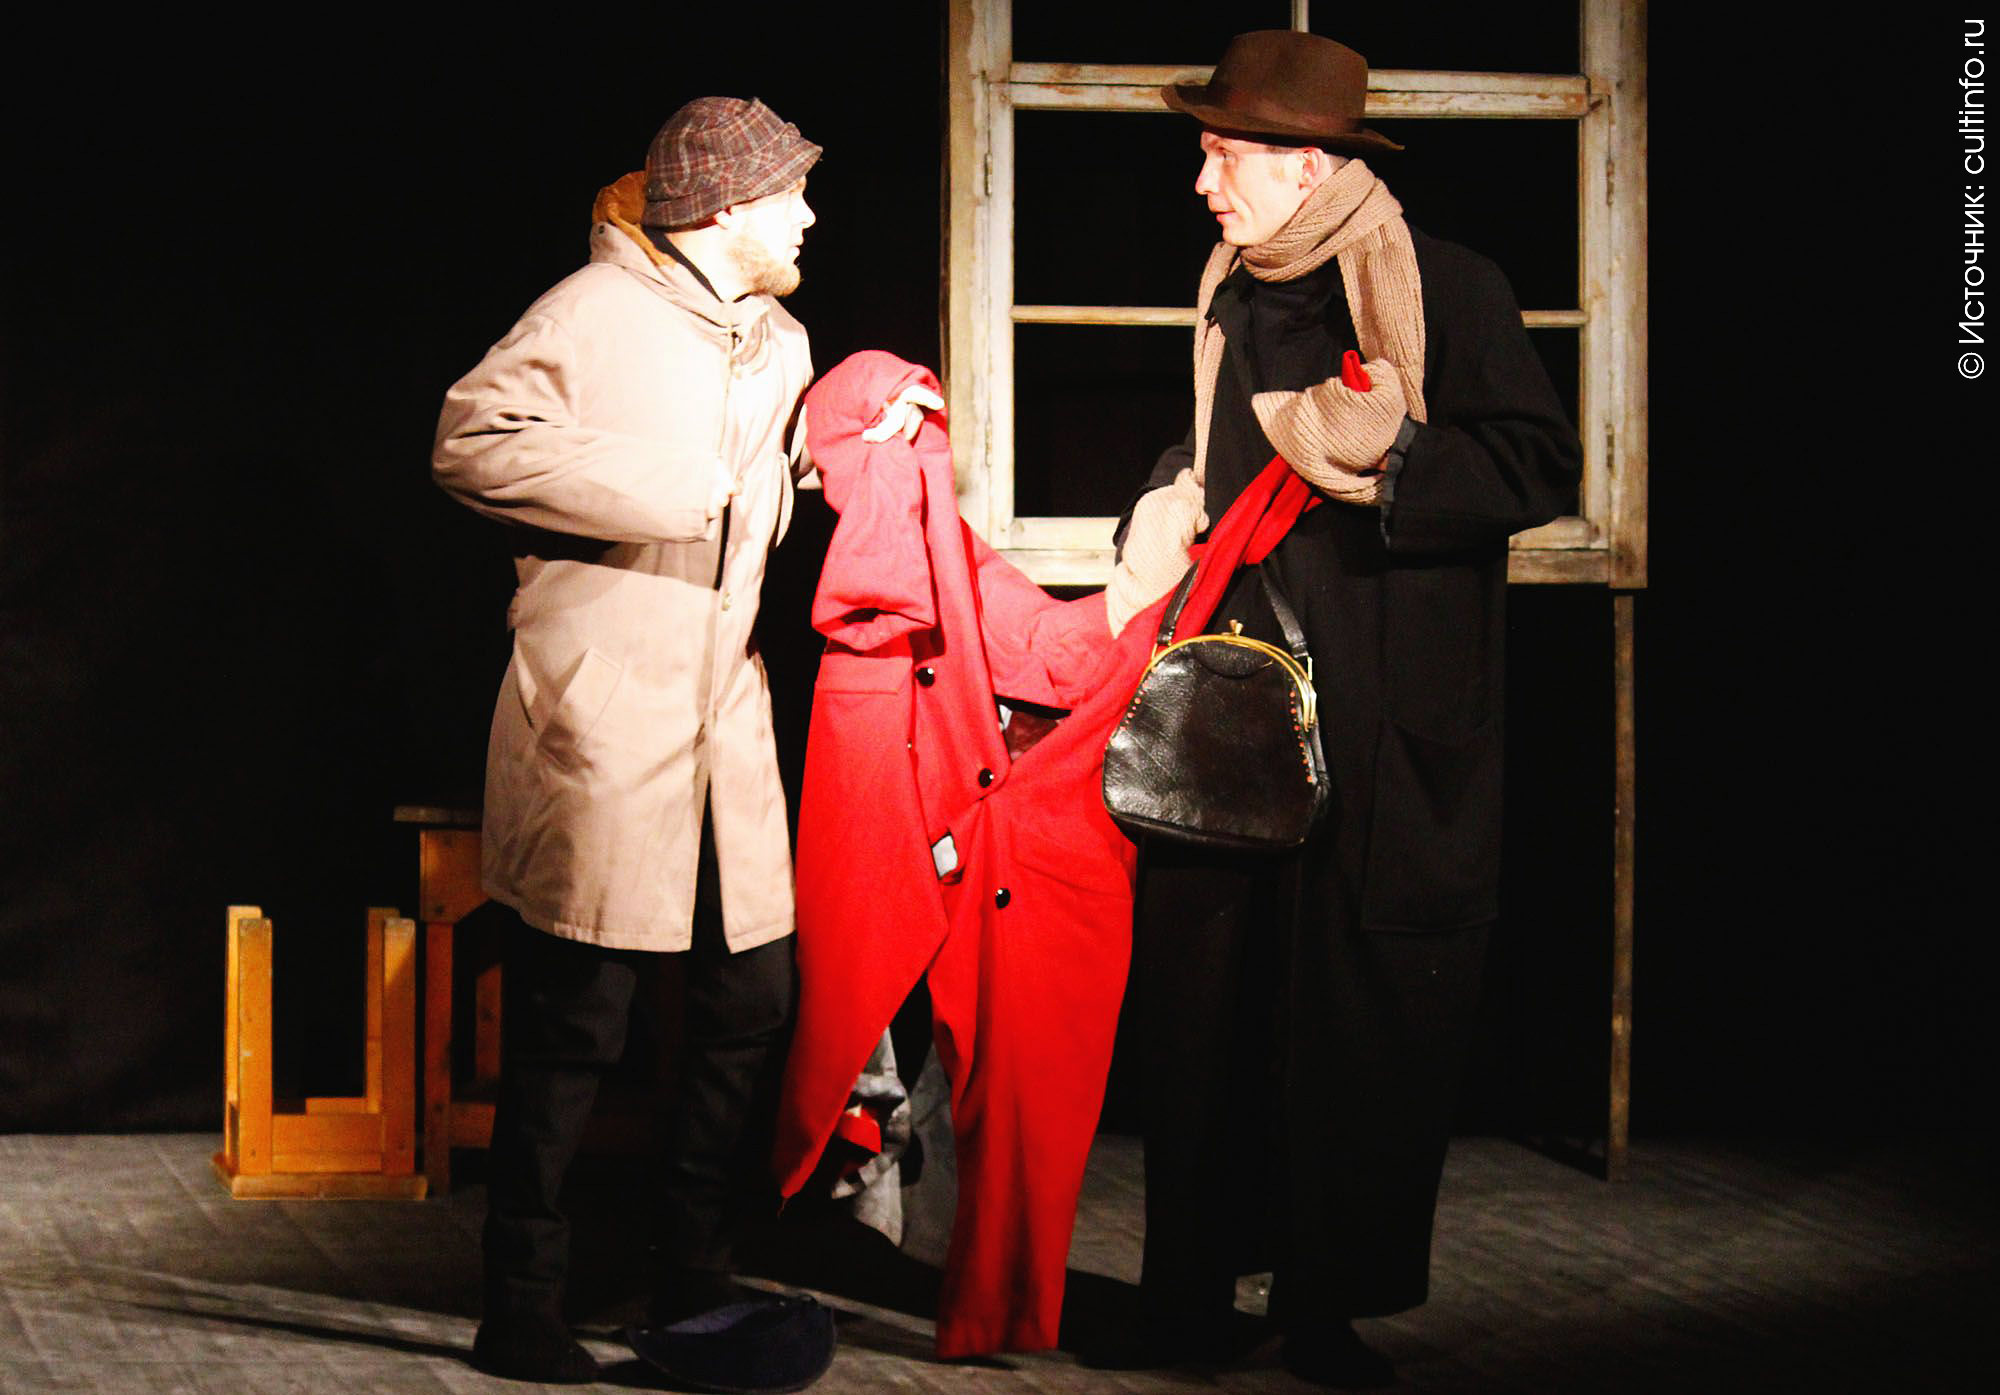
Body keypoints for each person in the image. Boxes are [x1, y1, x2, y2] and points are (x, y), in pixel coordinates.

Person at [1103, 31, 1583, 1389]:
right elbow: (1214, 447)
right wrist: (1165, 492)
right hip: (1234, 705)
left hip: (1386, 722)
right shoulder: (1230, 295)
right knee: (1206, 1012)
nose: (1204, 182)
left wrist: (1386, 458)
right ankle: (1189, 1295)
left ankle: (1327, 1307)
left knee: (1358, 1022)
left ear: (1308, 165)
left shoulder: (1444, 284)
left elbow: (1535, 463)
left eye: (1224, 156)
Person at [431, 96, 922, 1386]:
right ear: (724, 208)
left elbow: (777, 477)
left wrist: (858, 440)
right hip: (606, 696)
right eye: (788, 195)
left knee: (748, 996)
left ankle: (693, 1269)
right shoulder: (590, 314)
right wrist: (670, 488)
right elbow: (468, 442)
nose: (809, 216)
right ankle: (520, 1303)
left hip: (725, 709)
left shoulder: (780, 337)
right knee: (578, 1014)